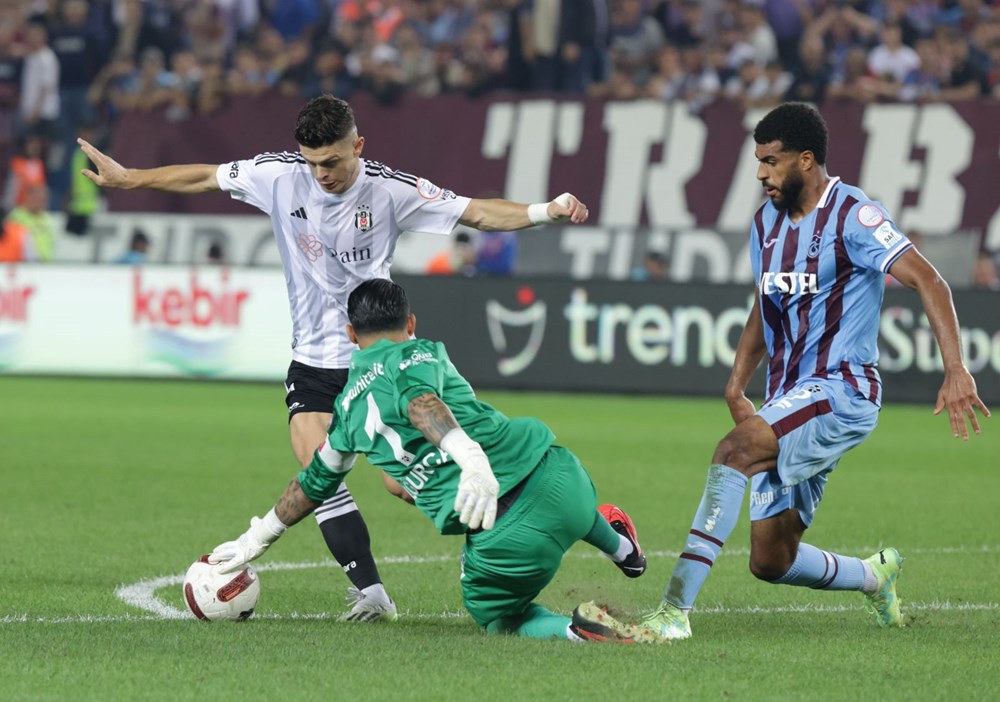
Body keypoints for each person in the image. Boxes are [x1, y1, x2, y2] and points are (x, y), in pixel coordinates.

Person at [77, 94, 591, 622]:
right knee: (316, 463)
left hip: (379, 355)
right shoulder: (278, 177)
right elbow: (205, 177)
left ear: (358, 147)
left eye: (332, 161)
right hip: (314, 359)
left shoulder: (391, 190)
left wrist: (544, 211)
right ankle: (370, 591)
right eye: (312, 161)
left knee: (402, 482)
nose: (321, 173)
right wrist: (130, 178)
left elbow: (476, 212)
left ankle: (527, 517)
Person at [639, 102, 991, 641]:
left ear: (806, 160)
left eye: (772, 162)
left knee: (733, 449)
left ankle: (672, 612)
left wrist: (956, 368)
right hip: (790, 396)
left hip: (842, 389)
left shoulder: (854, 214)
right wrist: (737, 381)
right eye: (758, 162)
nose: (761, 174)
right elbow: (766, 304)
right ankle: (875, 575)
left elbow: (930, 280)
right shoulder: (764, 225)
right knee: (771, 560)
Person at [207, 279, 651, 643]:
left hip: (507, 543)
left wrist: (259, 537)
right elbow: (418, 397)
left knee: (498, 617)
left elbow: (320, 478)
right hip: (562, 477)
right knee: (563, 504)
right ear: (411, 323)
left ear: (349, 335)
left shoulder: (345, 413)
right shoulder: (427, 351)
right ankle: (623, 548)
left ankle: (576, 632)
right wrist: (472, 454)